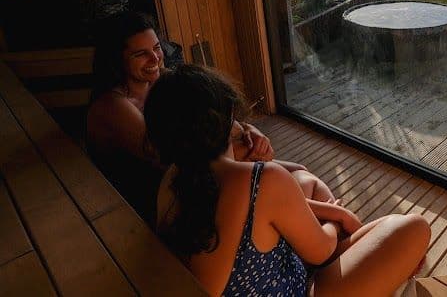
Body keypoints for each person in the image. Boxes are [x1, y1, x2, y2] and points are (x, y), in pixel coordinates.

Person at [145, 64, 430, 296]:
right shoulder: (257, 180)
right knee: (414, 228)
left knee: (310, 185)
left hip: (264, 279)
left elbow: (286, 175)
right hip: (300, 287)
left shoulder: (172, 180)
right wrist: (335, 218)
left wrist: (334, 213)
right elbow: (323, 251)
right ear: (227, 118)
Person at [86, 11, 334, 225]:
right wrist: (244, 149)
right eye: (140, 54)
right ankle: (318, 237)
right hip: (157, 201)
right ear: (117, 59)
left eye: (157, 48)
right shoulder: (113, 107)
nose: (155, 59)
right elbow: (168, 157)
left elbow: (209, 117)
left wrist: (249, 131)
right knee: (291, 185)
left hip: (193, 179)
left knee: (298, 171)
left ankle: (316, 234)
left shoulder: (163, 83)